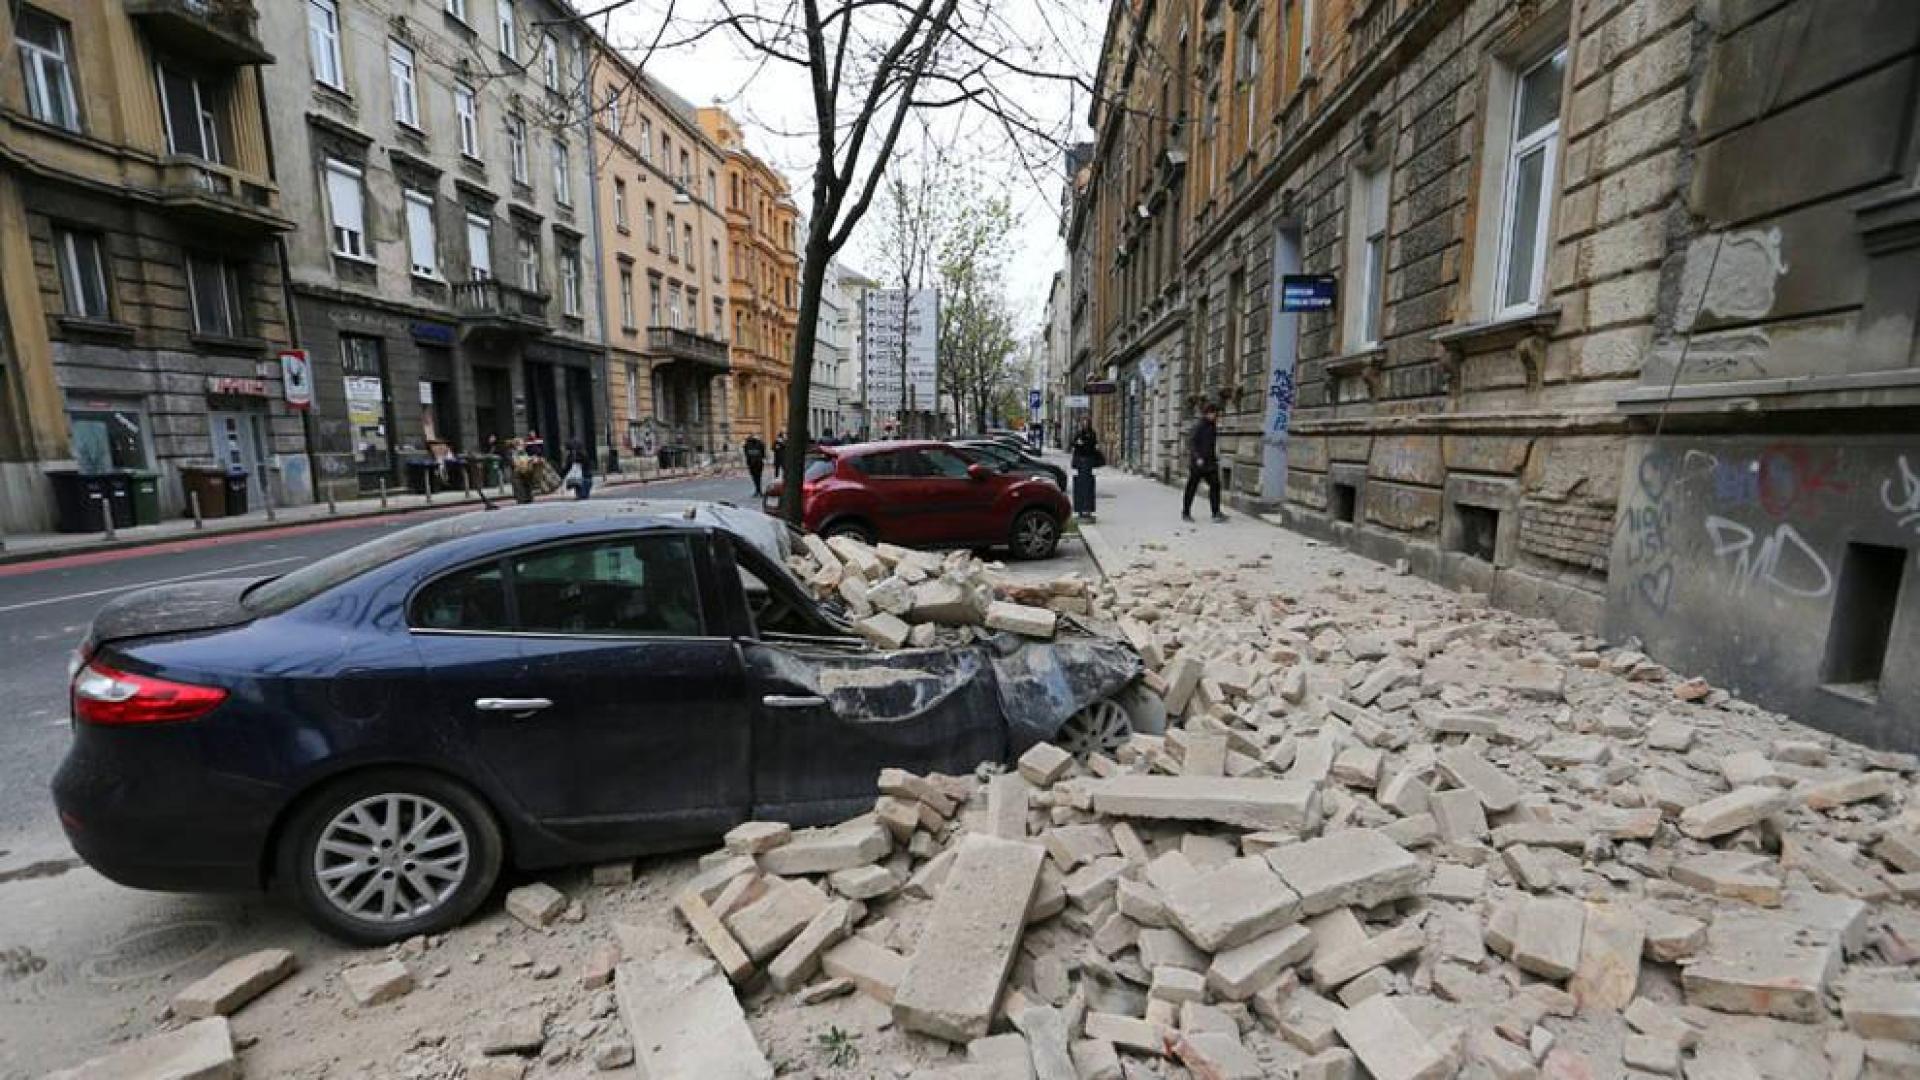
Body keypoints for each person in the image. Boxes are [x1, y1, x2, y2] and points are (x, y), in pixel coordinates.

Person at [1183, 402, 1227, 523]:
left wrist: (1215, 457)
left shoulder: (1212, 426)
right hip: (1198, 464)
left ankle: (1216, 512)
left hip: (1210, 463)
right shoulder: (1199, 426)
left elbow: (1212, 445)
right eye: (1214, 414)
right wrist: (1197, 457)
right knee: (1191, 487)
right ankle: (1186, 512)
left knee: (1215, 485)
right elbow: (1191, 443)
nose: (1216, 416)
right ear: (1208, 413)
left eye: (1216, 415)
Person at [1069, 420, 1102, 521]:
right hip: (1081, 462)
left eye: (1086, 423)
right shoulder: (1079, 433)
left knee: (1087, 485)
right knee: (1081, 484)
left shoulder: (1092, 433)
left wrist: (1083, 444)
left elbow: (1092, 445)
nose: (1084, 425)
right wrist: (1078, 443)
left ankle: (1087, 509)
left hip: (1088, 462)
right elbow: (1073, 443)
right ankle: (1081, 509)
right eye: (1083, 423)